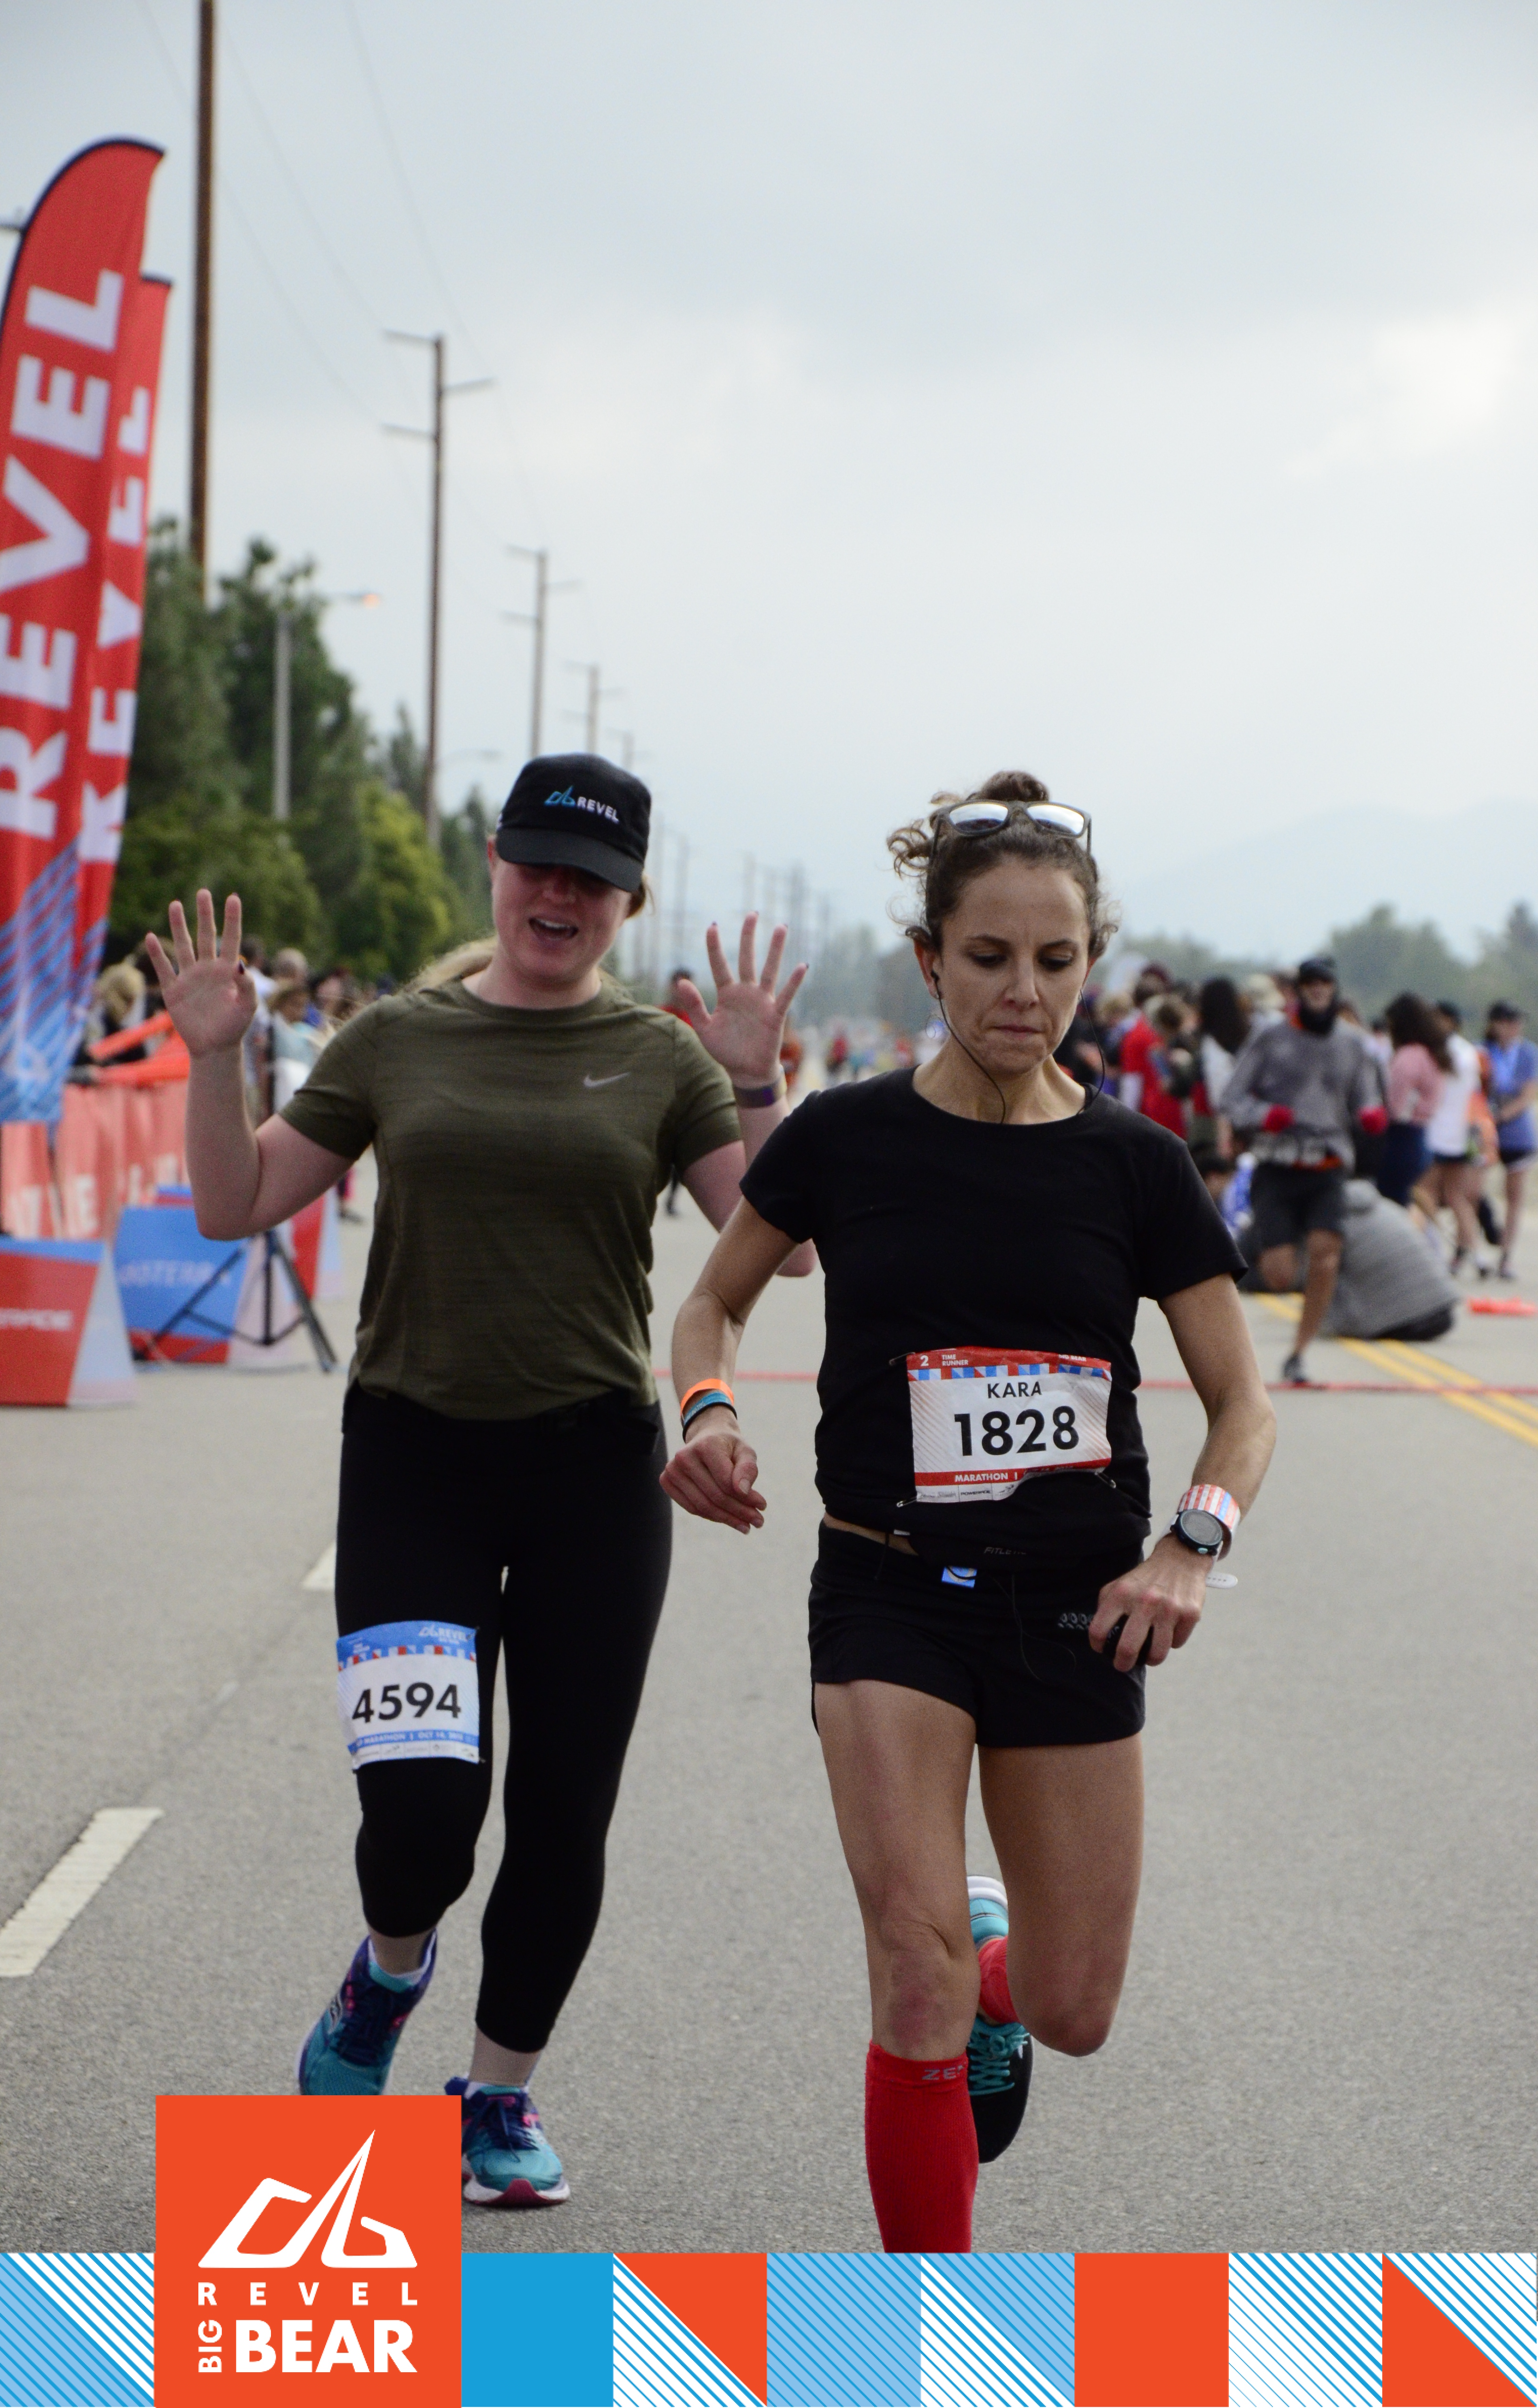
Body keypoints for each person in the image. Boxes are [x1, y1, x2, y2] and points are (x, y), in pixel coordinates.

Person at [145, 752, 810, 2209]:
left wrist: (758, 1082)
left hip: (594, 1475)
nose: (558, 896)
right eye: (537, 866)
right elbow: (231, 1201)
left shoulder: (662, 1062)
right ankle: (387, 1975)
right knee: (422, 1818)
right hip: (413, 1466)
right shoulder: (398, 1039)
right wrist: (213, 1055)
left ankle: (496, 2097)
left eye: (592, 880)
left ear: (627, 901)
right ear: (498, 870)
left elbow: (786, 1242)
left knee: (563, 1813)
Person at [661, 771, 1275, 2253]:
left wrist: (1189, 1548)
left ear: (1091, 962)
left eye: (1056, 961)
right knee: (911, 1971)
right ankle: (925, 2329)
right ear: (928, 959)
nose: (1024, 991)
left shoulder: (1136, 1165)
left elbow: (1242, 1407)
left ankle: (1002, 1972)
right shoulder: (845, 1138)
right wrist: (709, 1415)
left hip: (1076, 1606)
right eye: (989, 957)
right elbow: (711, 1306)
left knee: (1071, 2010)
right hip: (888, 1590)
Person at [1222, 955, 1386, 1385]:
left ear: (1333, 990)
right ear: (1298, 991)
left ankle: (1298, 1353)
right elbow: (1232, 1097)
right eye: (1310, 983)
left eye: (1324, 983)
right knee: (1279, 1274)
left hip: (1327, 1164)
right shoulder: (1270, 1037)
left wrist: (1371, 1114)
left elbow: (1366, 1095)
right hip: (1278, 1164)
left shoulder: (1352, 1043)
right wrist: (1264, 1114)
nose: (1317, 990)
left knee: (1326, 1257)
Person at [1417, 1001, 1488, 1276]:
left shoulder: (1437, 1051)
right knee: (1457, 1197)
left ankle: (1432, 1250)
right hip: (1460, 1134)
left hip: (1436, 1133)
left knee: (1426, 1193)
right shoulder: (1469, 1052)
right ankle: (1477, 1256)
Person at [1378, 992, 1446, 1210]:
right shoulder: (1431, 1055)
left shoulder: (1409, 1057)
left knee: (1391, 1203)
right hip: (1421, 1135)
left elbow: (1395, 1107)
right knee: (1405, 1200)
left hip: (1401, 1138)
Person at [1484, 1002, 1537, 1280]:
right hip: (1484, 1131)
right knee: (1470, 1190)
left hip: (1516, 1132)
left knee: (1514, 1198)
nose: (1515, 1027)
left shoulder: (1528, 1053)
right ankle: (1474, 1239)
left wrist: (1502, 1115)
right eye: (1509, 1022)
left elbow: (1528, 1094)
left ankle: (1506, 1256)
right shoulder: (1482, 1051)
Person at [1117, 990, 1191, 1135]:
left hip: (1155, 1111)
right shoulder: (1179, 1045)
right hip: (1173, 1112)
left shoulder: (1141, 1039)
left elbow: (1132, 1085)